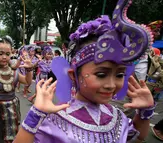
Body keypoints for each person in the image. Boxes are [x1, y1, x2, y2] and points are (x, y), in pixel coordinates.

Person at [13, 0, 156, 142]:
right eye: (101, 74)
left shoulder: (117, 117)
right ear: (74, 75)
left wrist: (145, 112)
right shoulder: (55, 120)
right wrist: (35, 115)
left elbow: (137, 136)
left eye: (119, 74)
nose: (111, 85)